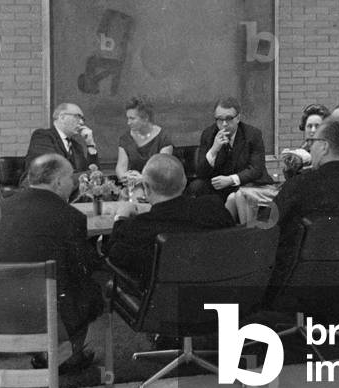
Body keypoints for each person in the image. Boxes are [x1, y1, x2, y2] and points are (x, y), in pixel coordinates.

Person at [0, 154, 103, 373]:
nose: (73, 183)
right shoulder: (71, 216)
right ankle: (68, 357)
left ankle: (47, 353)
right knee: (89, 289)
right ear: (57, 182)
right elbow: (79, 270)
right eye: (70, 178)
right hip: (45, 311)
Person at [269, 118, 339, 294]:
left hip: (290, 285)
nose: (310, 147)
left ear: (324, 146)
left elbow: (266, 228)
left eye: (312, 142)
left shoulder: (300, 186)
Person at [103, 153, 236, 287]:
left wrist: (120, 218)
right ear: (184, 183)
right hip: (217, 295)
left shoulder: (137, 226)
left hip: (166, 303)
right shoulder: (214, 208)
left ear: (146, 188)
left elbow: (113, 258)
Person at [188, 96, 272, 200]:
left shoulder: (252, 134)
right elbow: (201, 173)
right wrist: (214, 149)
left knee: (242, 192)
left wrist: (231, 180)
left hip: (244, 182)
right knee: (197, 186)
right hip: (220, 186)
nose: (224, 124)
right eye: (219, 119)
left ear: (238, 118)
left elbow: (256, 169)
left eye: (229, 118)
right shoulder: (208, 134)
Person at [23, 103, 98, 185]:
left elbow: (93, 173)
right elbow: (50, 169)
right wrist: (88, 175)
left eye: (83, 119)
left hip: (67, 191)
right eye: (78, 117)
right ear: (62, 117)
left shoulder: (76, 146)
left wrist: (90, 144)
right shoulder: (43, 136)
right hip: (39, 189)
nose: (81, 122)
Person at [115, 96, 174, 187]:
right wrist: (125, 177)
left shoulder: (163, 138)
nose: (128, 122)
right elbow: (121, 167)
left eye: (132, 118)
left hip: (157, 186)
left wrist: (143, 179)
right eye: (128, 118)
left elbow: (162, 170)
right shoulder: (125, 139)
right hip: (133, 185)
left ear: (145, 118)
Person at [280, 103, 330, 179]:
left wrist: (311, 162)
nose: (313, 130)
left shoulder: (333, 151)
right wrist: (289, 167)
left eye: (317, 126)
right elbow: (292, 180)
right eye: (309, 126)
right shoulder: (304, 148)